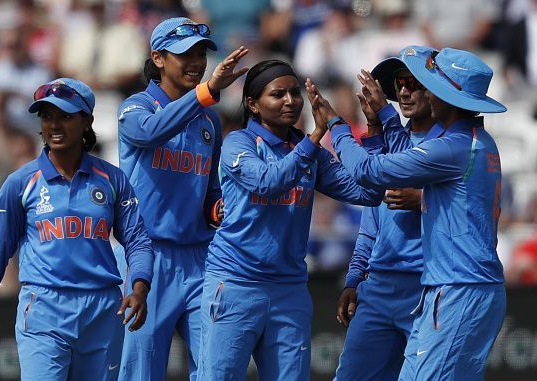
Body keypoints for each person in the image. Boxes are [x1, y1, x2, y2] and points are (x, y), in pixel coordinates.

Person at [306, 46, 507, 380]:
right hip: (458, 285)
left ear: (444, 95)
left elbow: (369, 170)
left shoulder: (450, 146)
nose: (418, 91)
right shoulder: (474, 140)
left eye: (427, 84)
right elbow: (392, 178)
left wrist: (336, 125)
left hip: (457, 287)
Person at [0, 78, 154, 380]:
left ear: (87, 122)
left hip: (102, 311)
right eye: (47, 116)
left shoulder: (112, 179)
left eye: (65, 116)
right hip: (44, 309)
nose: (54, 125)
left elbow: (138, 241)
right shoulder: (21, 183)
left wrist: (139, 287)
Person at [197, 59, 385, 381]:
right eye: (278, 94)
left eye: (295, 93)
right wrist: (314, 139)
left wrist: (370, 133)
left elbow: (367, 193)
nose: (290, 101)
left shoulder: (306, 148)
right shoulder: (238, 144)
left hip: (289, 290)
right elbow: (268, 183)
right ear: (253, 104)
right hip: (236, 284)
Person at [114, 17, 248, 381]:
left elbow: (211, 189)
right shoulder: (134, 108)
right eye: (184, 54)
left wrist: (219, 209)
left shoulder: (208, 121)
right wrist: (206, 92)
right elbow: (151, 132)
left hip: (200, 259)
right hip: (145, 258)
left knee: (216, 368)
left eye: (200, 53)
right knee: (141, 371)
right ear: (158, 58)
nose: (196, 62)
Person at [334, 46, 437, 381]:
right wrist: (354, 277)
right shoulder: (391, 138)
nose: (403, 90)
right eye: (400, 84)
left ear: (435, 88)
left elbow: (415, 166)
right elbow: (371, 221)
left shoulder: (449, 141)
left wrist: (384, 120)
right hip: (378, 287)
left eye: (413, 82)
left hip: (427, 288)